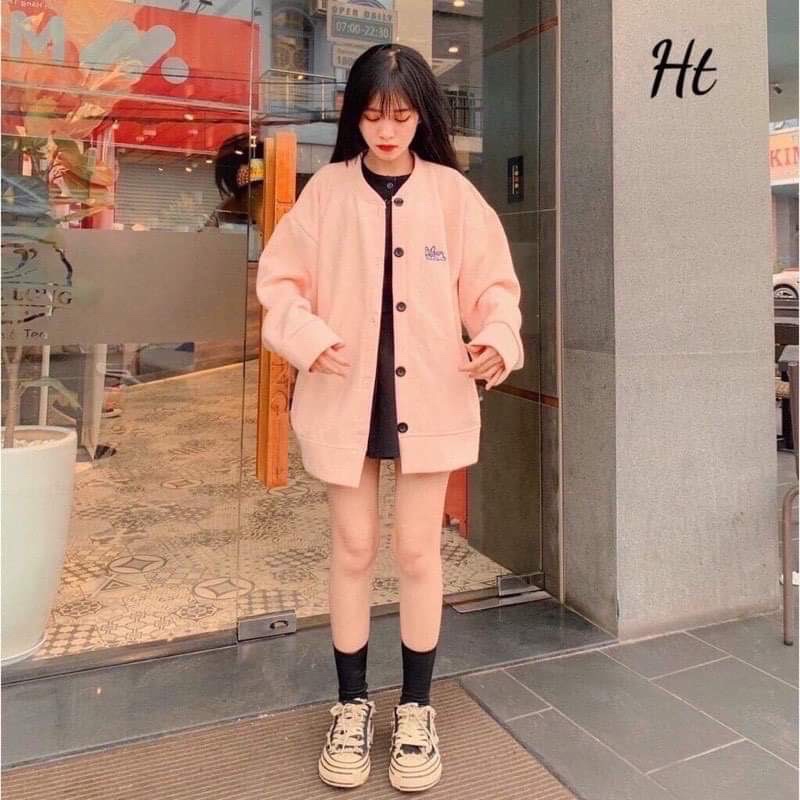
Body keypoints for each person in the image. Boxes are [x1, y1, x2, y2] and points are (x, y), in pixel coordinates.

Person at [255, 43, 524, 792]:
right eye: (373, 114)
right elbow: (279, 283)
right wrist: (306, 335)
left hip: (430, 392)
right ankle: (350, 706)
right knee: (351, 549)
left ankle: (415, 710)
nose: (386, 129)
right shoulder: (327, 192)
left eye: (401, 116)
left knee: (416, 552)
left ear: (421, 117)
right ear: (355, 114)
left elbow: (493, 288)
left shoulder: (451, 194)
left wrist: (498, 337)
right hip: (346, 390)